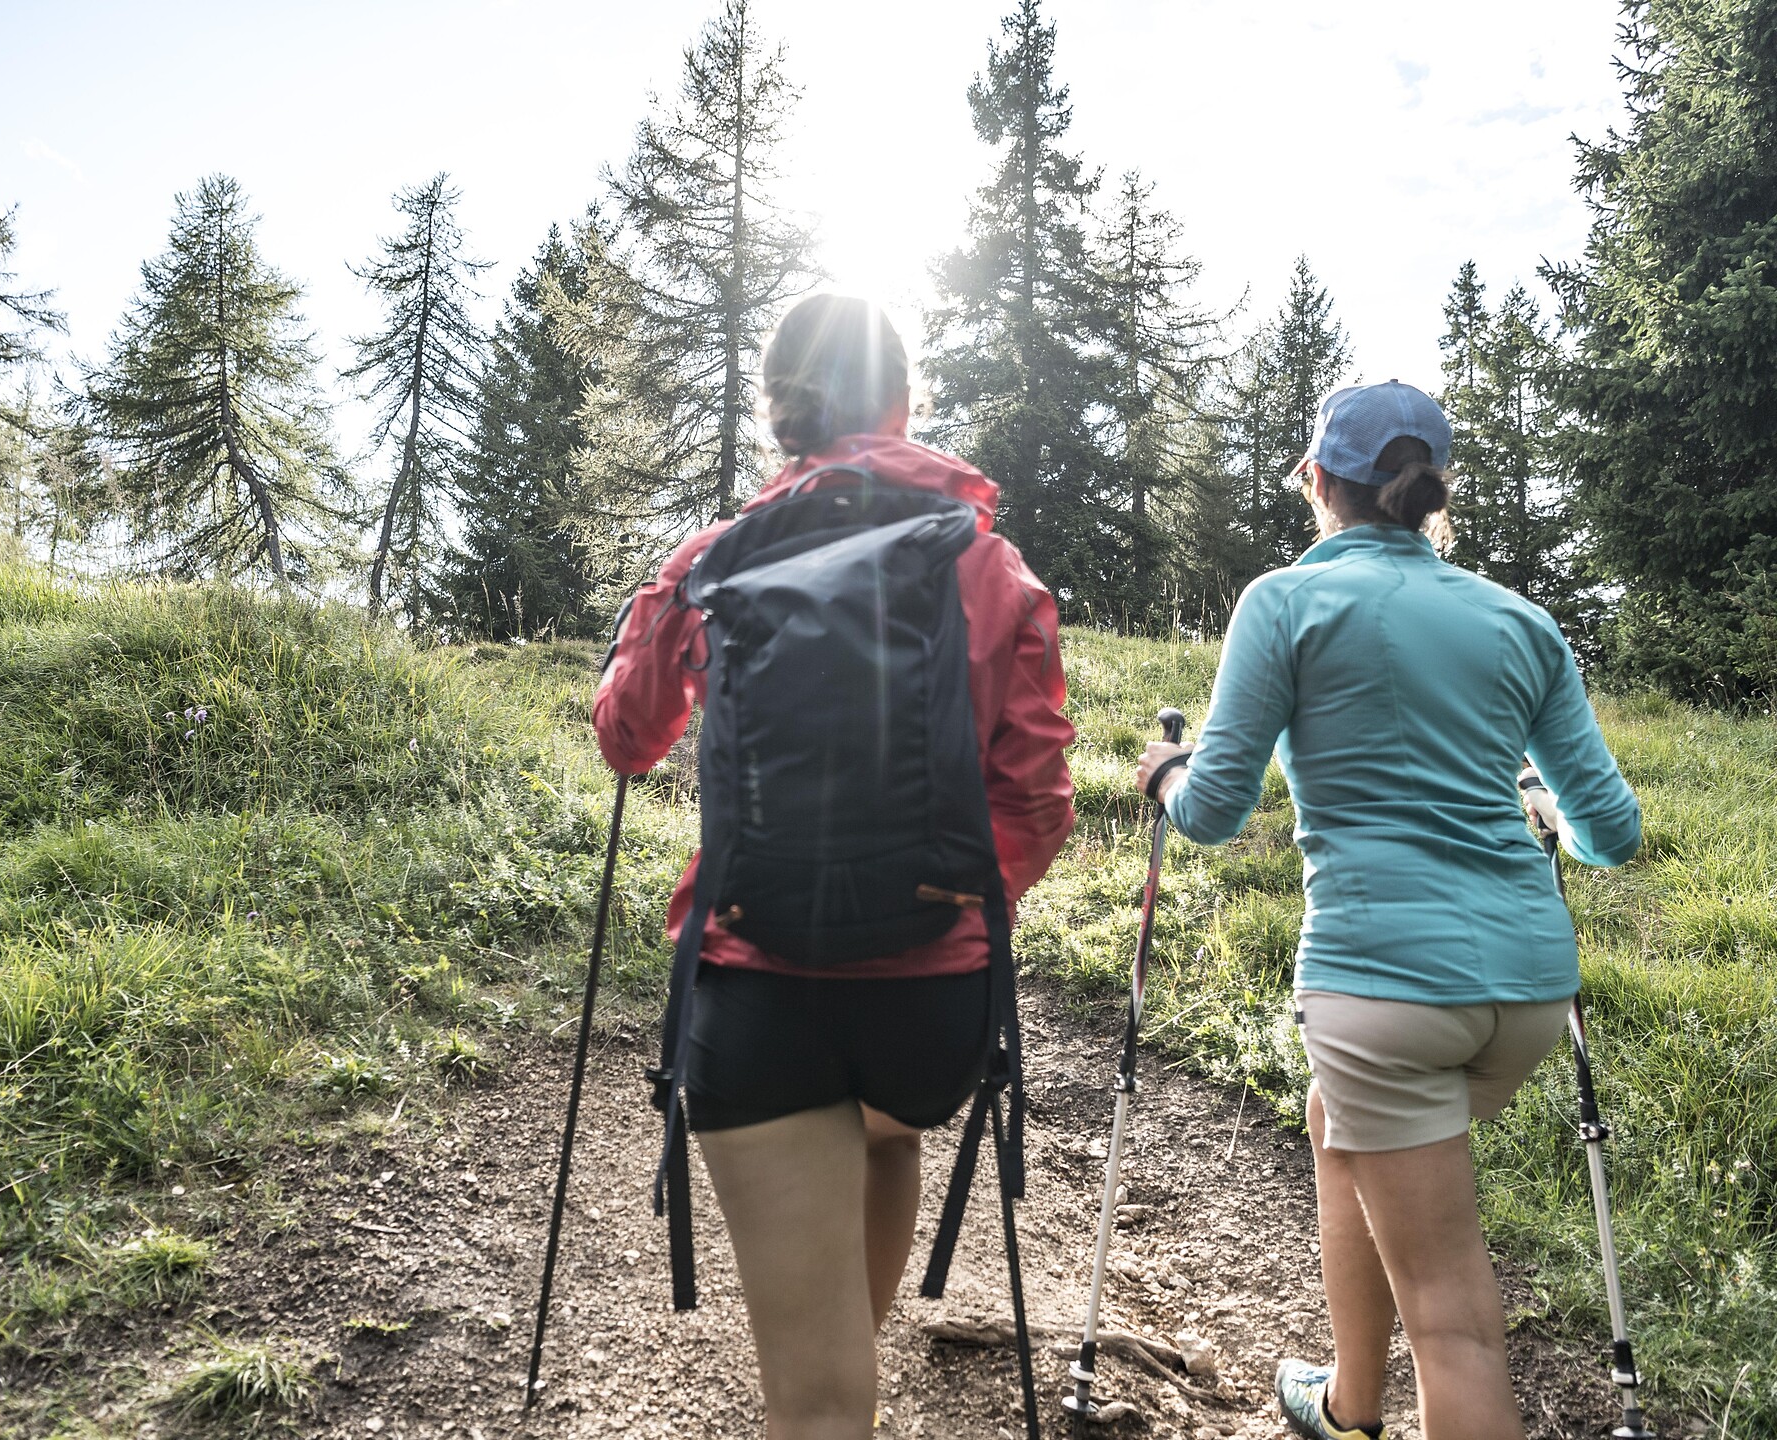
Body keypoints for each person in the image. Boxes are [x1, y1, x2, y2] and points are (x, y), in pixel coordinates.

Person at [593, 293, 1075, 1440]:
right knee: (889, 1131)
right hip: (930, 1000)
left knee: (811, 1405)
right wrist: (958, 900)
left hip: (754, 985)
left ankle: (832, 1382)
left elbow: (625, 737)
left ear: (781, 412)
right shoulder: (989, 563)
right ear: (904, 401)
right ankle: (853, 1351)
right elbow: (1039, 800)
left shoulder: (717, 558)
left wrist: (659, 603)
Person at [1135, 381, 1639, 1440]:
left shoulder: (1284, 601)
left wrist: (1165, 775)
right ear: (1431, 490)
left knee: (1453, 1322)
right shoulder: (1520, 620)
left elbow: (1215, 812)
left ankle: (1382, 1404)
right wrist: (1545, 806)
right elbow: (1612, 833)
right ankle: (1349, 1403)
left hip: (1383, 990)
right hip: (1528, 989)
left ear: (1319, 481)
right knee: (1338, 1126)